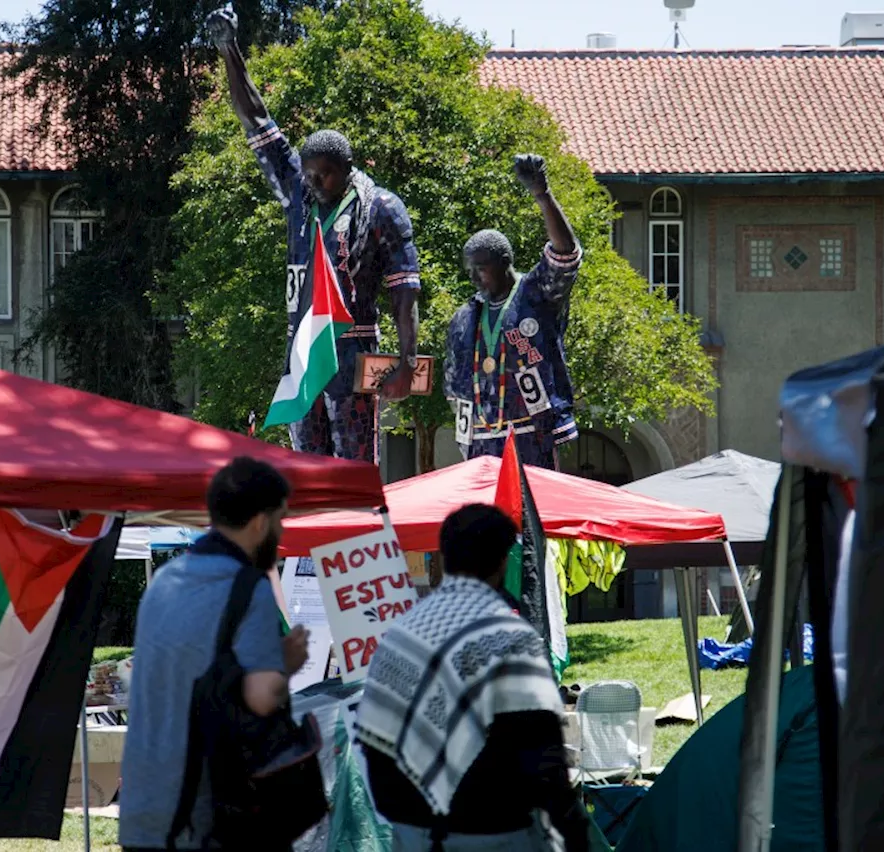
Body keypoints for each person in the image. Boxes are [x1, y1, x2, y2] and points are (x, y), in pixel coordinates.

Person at [206, 3, 422, 463]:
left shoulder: (382, 208)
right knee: (306, 467)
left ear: (345, 170)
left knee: (353, 467)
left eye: (323, 175)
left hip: (353, 350)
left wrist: (406, 362)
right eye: (307, 173)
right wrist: (230, 50)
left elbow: (405, 294)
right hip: (303, 349)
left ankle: (360, 533)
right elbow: (257, 121)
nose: (313, 182)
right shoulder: (298, 195)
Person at [356, 504, 589, 852]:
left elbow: (375, 737)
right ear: (502, 561)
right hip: (492, 834)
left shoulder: (401, 634)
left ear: (443, 556)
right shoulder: (509, 637)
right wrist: (573, 833)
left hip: (412, 831)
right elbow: (543, 755)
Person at [118, 457, 310, 852]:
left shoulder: (166, 581)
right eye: (280, 519)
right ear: (260, 522)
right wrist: (287, 664)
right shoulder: (246, 586)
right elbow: (261, 696)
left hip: (143, 803)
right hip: (204, 812)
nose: (281, 529)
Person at [444, 155, 583, 470]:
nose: (475, 278)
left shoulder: (535, 295)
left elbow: (565, 255)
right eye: (470, 271)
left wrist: (542, 196)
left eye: (481, 268)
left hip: (531, 435)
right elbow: (453, 385)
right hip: (480, 440)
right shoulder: (465, 316)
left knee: (532, 516)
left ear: (504, 262)